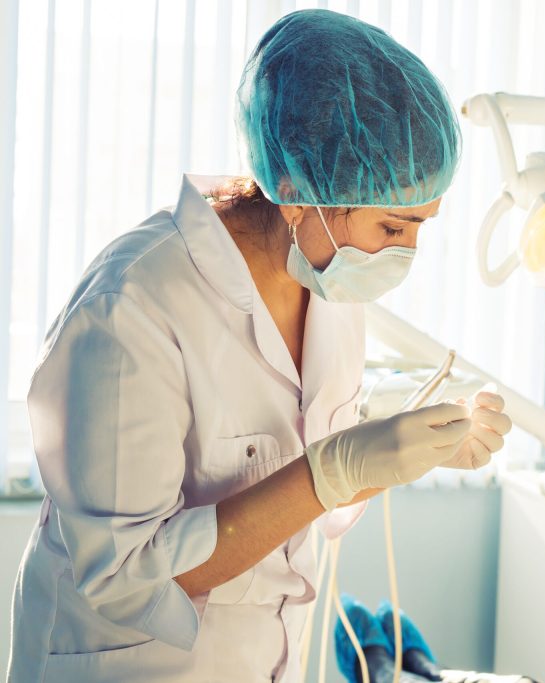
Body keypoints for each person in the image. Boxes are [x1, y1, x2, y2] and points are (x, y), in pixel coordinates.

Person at [7, 10, 511, 683]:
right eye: (393, 225)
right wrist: (334, 469)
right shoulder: (132, 306)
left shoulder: (329, 284)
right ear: (301, 191)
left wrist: (403, 438)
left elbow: (308, 449)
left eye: (421, 227)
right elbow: (127, 578)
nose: (408, 253)